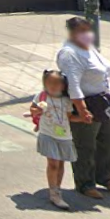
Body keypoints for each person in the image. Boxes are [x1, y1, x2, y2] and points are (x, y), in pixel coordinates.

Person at [55, 17, 110, 200]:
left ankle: (104, 178)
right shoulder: (69, 53)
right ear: (72, 33)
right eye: (82, 31)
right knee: (85, 146)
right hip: (85, 104)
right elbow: (73, 84)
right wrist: (82, 110)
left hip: (102, 104)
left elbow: (103, 71)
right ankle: (85, 184)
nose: (87, 34)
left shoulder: (89, 49)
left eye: (88, 30)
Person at [29, 70, 85, 211]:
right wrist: (36, 111)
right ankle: (54, 193)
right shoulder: (42, 96)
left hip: (63, 136)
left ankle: (57, 188)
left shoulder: (66, 100)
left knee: (60, 164)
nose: (53, 86)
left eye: (56, 83)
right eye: (49, 83)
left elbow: (69, 117)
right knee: (53, 164)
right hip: (48, 134)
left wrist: (83, 118)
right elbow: (32, 108)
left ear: (63, 86)